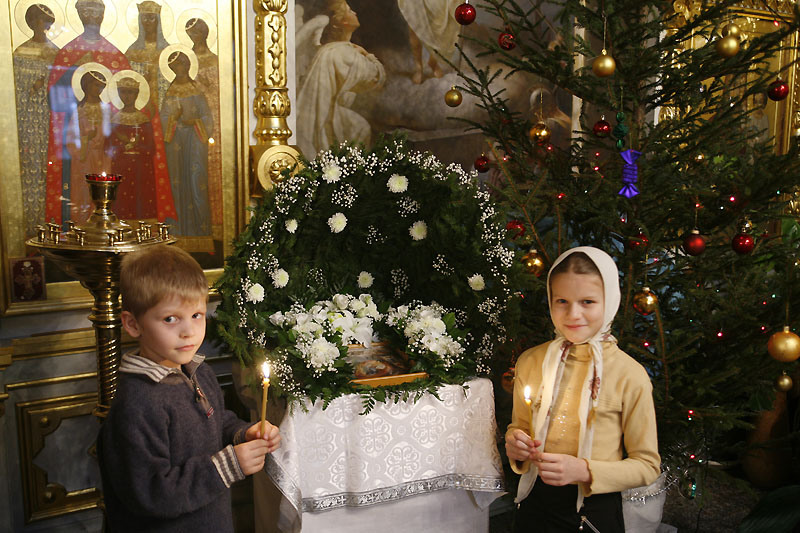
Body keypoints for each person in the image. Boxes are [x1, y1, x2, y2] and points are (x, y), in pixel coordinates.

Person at [98, 245, 281, 532]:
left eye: (197, 314)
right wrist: (228, 466)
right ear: (133, 324)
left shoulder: (197, 371)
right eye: (170, 318)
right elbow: (152, 493)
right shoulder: (137, 403)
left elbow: (217, 423)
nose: (188, 331)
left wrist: (244, 433)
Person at [505, 247, 660, 532]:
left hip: (592, 512)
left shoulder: (630, 375)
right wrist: (515, 443)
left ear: (610, 301)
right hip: (534, 504)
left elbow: (647, 465)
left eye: (587, 301)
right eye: (561, 301)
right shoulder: (530, 361)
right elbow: (520, 425)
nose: (573, 314)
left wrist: (584, 470)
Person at [45, 0, 131, 227]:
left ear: (103, 17)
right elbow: (55, 97)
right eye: (87, 13)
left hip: (103, 155)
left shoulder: (116, 55)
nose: (92, 18)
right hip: (82, 156)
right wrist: (75, 67)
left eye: (97, 13)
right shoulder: (67, 54)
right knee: (81, 191)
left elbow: (123, 103)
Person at [296, 0, 385, 157]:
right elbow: (377, 77)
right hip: (326, 115)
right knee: (361, 128)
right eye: (350, 11)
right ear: (344, 21)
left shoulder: (329, 49)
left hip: (325, 111)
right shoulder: (343, 53)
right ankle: (353, 176)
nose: (355, 13)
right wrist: (368, 55)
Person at [13, 3, 58, 237]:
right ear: (31, 23)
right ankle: (32, 229)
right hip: (30, 123)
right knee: (33, 171)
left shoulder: (56, 52)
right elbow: (14, 92)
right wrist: (33, 88)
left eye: (47, 21)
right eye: (40, 20)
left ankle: (54, 227)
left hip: (52, 122)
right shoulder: (21, 53)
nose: (45, 25)